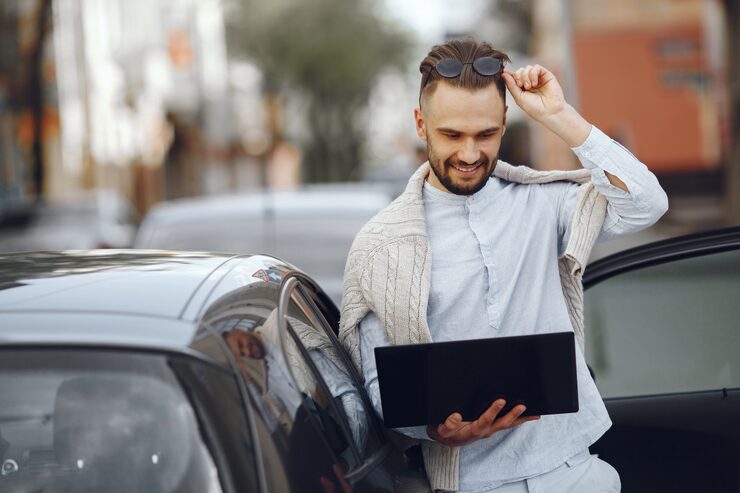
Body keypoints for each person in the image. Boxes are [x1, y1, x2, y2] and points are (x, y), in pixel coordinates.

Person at [339, 38, 668, 492]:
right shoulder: (380, 245)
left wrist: (558, 117)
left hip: (574, 472)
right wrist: (433, 430)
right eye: (452, 135)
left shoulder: (542, 203)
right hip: (471, 483)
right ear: (421, 124)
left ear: (504, 123)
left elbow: (645, 204)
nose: (470, 154)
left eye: (485, 134)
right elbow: (377, 381)